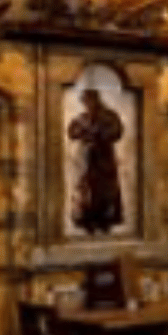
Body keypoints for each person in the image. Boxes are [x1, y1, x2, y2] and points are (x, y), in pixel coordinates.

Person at [67, 88, 124, 235]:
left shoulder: (109, 116)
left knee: (105, 191)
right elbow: (72, 131)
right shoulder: (83, 117)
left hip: (104, 159)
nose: (87, 105)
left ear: (95, 100)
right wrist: (81, 131)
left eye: (88, 101)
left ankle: (105, 222)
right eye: (85, 102)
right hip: (88, 159)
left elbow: (117, 131)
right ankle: (88, 222)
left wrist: (98, 134)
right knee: (87, 191)